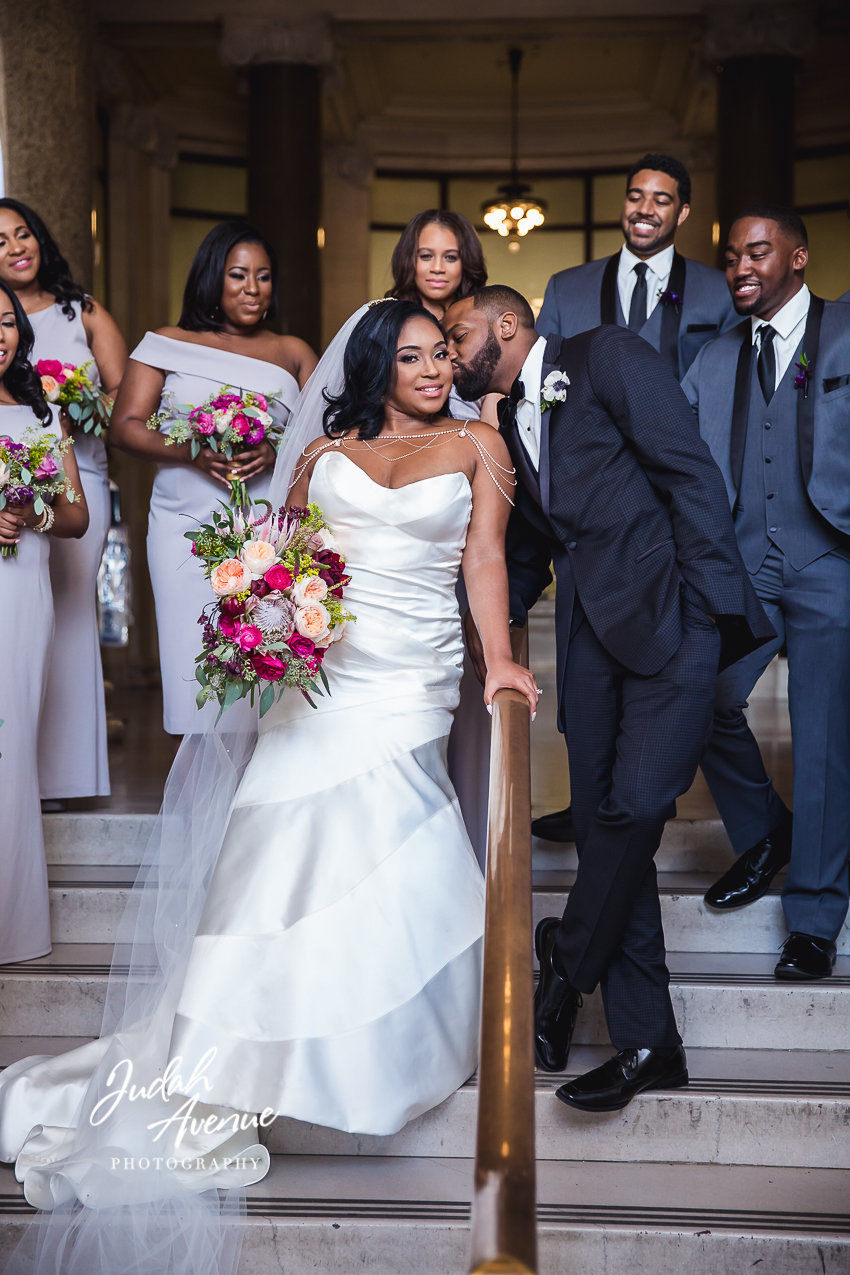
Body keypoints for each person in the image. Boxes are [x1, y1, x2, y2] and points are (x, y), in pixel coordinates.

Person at [0, 298, 536, 1275]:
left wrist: (499, 660)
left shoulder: (478, 447)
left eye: (437, 354)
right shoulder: (322, 456)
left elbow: (484, 560)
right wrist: (270, 619)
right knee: (281, 855)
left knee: (393, 836)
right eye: (409, 355)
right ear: (374, 366)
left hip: (408, 684)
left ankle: (369, 1051)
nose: (429, 368)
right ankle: (242, 1052)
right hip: (319, 684)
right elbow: (287, 565)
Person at [444, 284, 773, 1113]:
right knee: (600, 827)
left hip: (677, 621)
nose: (449, 352)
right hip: (592, 639)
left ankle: (565, 960)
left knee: (636, 805)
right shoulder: (503, 423)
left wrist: (709, 613)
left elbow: (691, 474)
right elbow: (526, 549)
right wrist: (479, 642)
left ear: (508, 324)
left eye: (457, 334)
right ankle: (650, 1040)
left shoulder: (606, 355)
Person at [534, 154, 738, 844]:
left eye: (661, 199)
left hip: (678, 505)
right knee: (582, 645)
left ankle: (646, 786)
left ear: (683, 213)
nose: (644, 209)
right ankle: (595, 792)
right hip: (593, 512)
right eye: (635, 196)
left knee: (675, 654)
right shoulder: (568, 287)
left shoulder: (716, 292)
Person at [682, 208, 850, 980]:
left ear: (799, 257)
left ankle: (813, 917)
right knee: (701, 692)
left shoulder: (846, 332)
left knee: (821, 739)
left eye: (758, 251)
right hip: (744, 562)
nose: (741, 266)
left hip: (830, 558)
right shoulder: (712, 360)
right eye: (731, 257)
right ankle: (768, 830)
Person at [110, 220, 317, 735]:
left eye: (264, 277)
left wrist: (275, 450)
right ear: (211, 280)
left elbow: (325, 438)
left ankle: (260, 783)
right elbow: (124, 427)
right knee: (191, 648)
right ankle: (197, 783)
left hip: (264, 523)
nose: (253, 288)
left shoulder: (292, 351)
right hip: (182, 516)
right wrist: (193, 453)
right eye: (239, 275)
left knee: (264, 645)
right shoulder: (165, 343)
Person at [0, 198, 126, 803]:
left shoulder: (83, 311)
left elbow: (126, 403)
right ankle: (22, 769)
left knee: (69, 617)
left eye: (22, 233)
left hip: (75, 478)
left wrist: (72, 402)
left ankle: (72, 772)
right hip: (19, 476)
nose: (15, 247)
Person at [386, 209, 497, 860]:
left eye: (449, 256)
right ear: (408, 261)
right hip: (403, 529)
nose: (436, 267)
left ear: (466, 263)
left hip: (466, 518)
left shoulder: (478, 327)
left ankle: (464, 849)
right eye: (424, 255)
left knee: (467, 680)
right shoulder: (380, 325)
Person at [0, 281, 89, 965]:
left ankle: (14, 923)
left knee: (12, 746)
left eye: (6, 322)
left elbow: (77, 517)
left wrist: (32, 514)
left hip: (21, 589)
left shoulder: (42, 411)